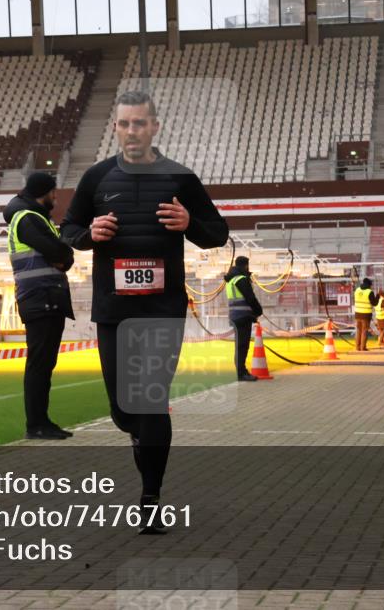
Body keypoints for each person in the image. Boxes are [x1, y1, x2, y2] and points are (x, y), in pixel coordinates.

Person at [61, 90, 229, 534]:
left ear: (155, 126)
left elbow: (218, 233)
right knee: (122, 409)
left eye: (140, 123)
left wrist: (190, 224)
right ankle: (137, 434)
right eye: (124, 124)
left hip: (162, 310)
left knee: (150, 400)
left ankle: (150, 499)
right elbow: (68, 231)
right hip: (114, 310)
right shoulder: (96, 177)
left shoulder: (180, 178)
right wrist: (89, 232)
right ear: (115, 128)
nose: (132, 131)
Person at [4, 172, 75, 440]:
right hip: (40, 297)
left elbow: (62, 257)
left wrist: (64, 257)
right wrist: (64, 256)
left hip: (42, 298)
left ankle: (40, 422)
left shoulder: (30, 217)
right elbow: (60, 254)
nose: (55, 197)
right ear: (43, 192)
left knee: (43, 364)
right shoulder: (29, 219)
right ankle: (36, 424)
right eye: (53, 193)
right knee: (40, 365)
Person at [224, 256, 263, 381]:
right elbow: (250, 298)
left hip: (235, 316)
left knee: (239, 345)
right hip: (243, 317)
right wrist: (258, 311)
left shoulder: (231, 280)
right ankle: (241, 373)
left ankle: (239, 371)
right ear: (246, 265)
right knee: (242, 345)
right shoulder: (241, 279)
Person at [353, 277, 379, 351]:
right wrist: (377, 297)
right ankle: (363, 347)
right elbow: (374, 303)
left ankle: (357, 347)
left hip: (357, 313)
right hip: (365, 315)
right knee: (364, 330)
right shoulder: (369, 292)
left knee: (358, 330)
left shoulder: (357, 290)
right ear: (369, 284)